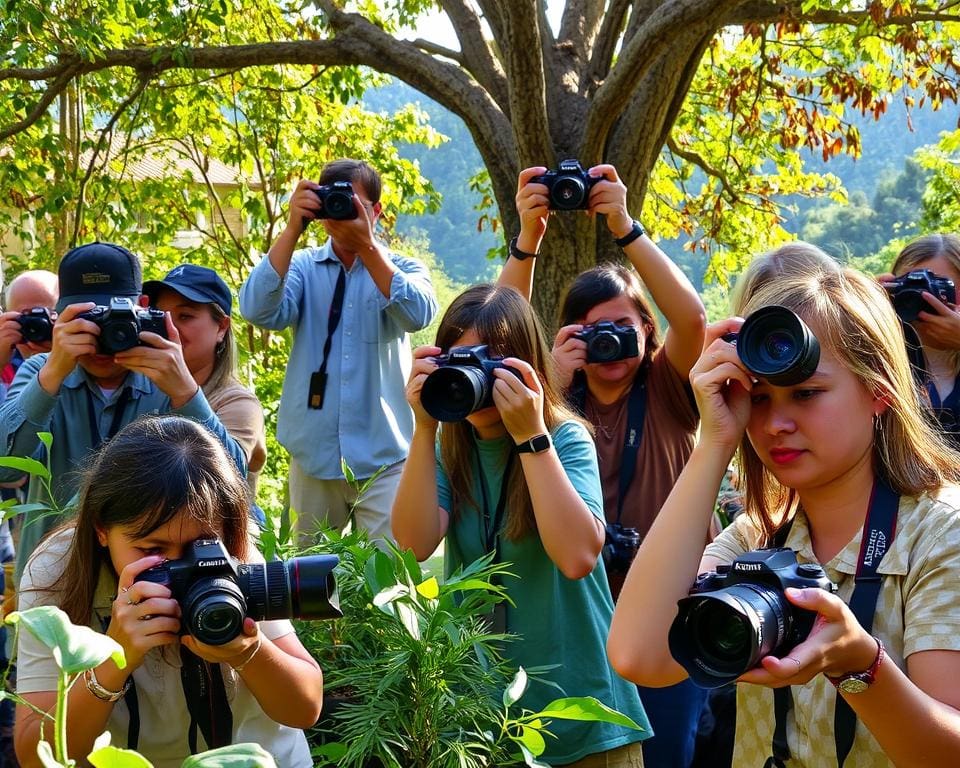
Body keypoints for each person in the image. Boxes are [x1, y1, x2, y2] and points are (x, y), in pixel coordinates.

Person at [608, 262, 960, 766]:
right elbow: (639, 656)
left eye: (806, 393)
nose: (776, 423)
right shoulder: (757, 538)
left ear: (879, 389)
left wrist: (860, 665)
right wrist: (713, 443)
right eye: (758, 398)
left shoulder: (940, 534)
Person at [499, 164, 706, 768]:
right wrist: (526, 240)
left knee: (668, 755)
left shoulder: (669, 387)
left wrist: (623, 225)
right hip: (580, 618)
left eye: (623, 326)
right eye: (592, 332)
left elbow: (691, 319)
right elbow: (497, 331)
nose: (610, 343)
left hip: (671, 610)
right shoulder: (550, 406)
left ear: (648, 331)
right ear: (566, 340)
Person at [392, 284, 649, 767]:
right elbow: (414, 543)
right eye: (460, 361)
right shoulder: (452, 450)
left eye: (489, 363)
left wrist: (531, 436)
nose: (477, 381)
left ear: (528, 363)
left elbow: (576, 557)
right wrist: (425, 427)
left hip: (583, 713)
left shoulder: (565, 437)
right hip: (485, 722)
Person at [13, 416, 322, 767]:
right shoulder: (59, 570)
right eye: (151, 550)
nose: (178, 568)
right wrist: (116, 657)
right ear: (101, 529)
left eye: (200, 546)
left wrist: (248, 652)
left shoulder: (234, 556)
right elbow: (34, 757)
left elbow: (305, 708)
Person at [0, 242, 246, 586]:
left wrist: (185, 392)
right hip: (54, 578)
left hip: (153, 578)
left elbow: (234, 483)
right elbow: (5, 468)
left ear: (142, 309)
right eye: (87, 321)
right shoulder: (41, 372)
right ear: (59, 317)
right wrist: (53, 373)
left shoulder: (167, 379)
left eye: (114, 319)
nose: (101, 337)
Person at [240, 159, 438, 545]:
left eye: (353, 203)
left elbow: (418, 315)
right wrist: (293, 228)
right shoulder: (301, 266)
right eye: (333, 200)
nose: (342, 210)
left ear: (376, 211)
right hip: (313, 456)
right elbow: (256, 309)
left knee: (388, 585)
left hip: (385, 457)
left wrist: (366, 248)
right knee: (309, 586)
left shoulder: (401, 268)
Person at [144, 264, 266, 495]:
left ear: (221, 327)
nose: (169, 327)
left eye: (185, 316)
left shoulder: (238, 402)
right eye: (161, 315)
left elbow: (228, 474)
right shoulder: (140, 389)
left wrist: (185, 394)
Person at [881, 233, 960, 447]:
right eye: (911, 286)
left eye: (938, 286)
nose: (923, 298)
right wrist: (863, 306)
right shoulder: (880, 362)